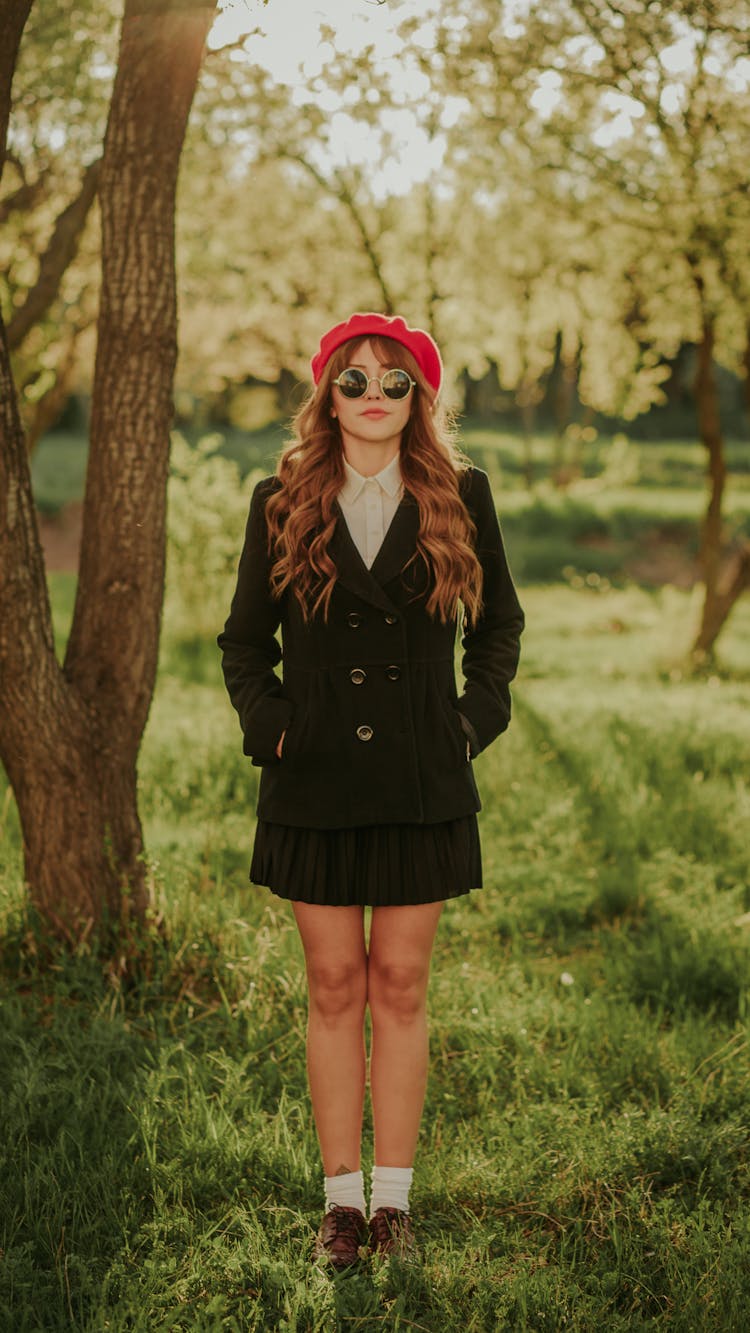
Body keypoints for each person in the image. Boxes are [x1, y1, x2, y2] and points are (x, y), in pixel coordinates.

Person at [217, 312, 524, 1270]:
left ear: (419, 398)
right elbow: (241, 643)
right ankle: (340, 1205)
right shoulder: (280, 498)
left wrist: (468, 724)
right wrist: (271, 725)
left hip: (419, 778)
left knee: (399, 983)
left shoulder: (461, 495)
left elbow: (501, 627)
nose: (375, 398)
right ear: (327, 395)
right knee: (333, 984)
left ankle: (394, 1203)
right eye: (354, 381)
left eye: (395, 383)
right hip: (310, 779)